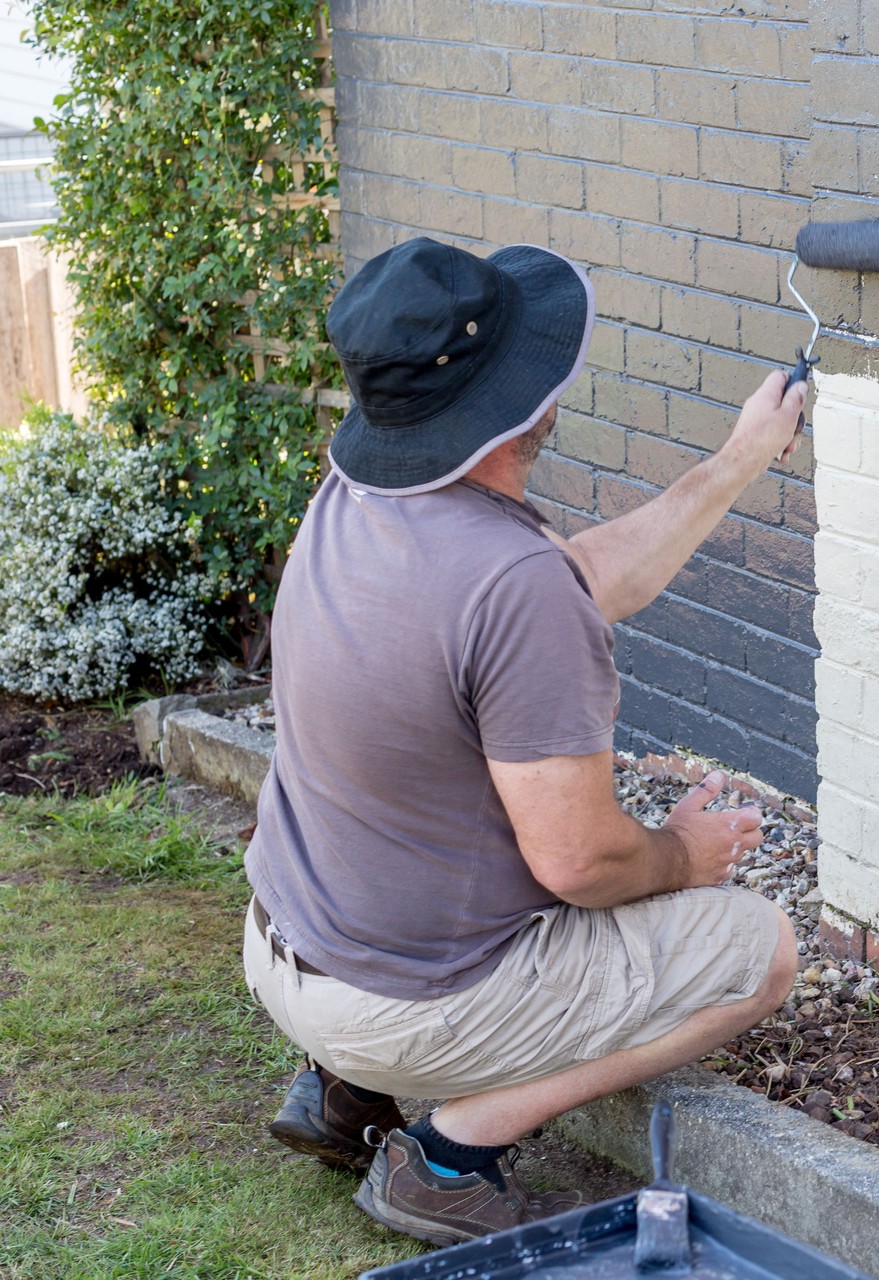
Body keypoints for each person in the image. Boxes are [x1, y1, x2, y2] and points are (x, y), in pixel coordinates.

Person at [240, 236, 805, 1246]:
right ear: (515, 401)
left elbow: (579, 575)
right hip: (400, 999)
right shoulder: (511, 585)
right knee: (758, 951)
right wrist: (686, 856)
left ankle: (342, 1090)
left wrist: (737, 459)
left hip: (293, 945)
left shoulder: (363, 496)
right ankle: (451, 1157)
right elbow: (581, 861)